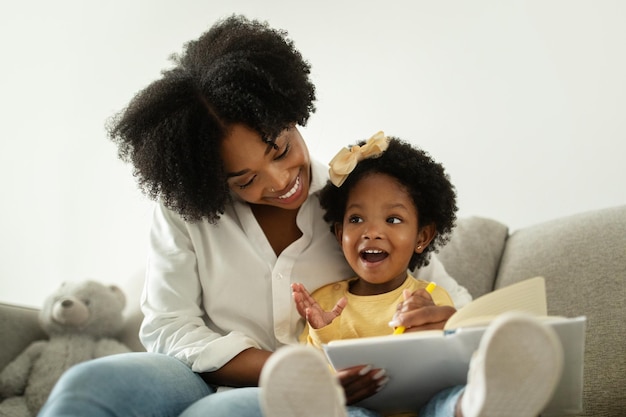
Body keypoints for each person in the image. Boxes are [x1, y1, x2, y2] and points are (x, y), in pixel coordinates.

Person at [38, 15, 472, 417]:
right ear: (210, 179)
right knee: (86, 386)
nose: (280, 181)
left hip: (324, 398)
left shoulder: (357, 206)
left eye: (281, 150)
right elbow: (169, 326)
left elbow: (456, 304)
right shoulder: (186, 212)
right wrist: (291, 367)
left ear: (291, 113)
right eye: (244, 179)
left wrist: (446, 321)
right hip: (198, 378)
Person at [258, 135, 564, 417]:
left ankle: (480, 401)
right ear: (340, 234)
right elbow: (315, 374)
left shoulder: (429, 298)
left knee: (448, 399)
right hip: (356, 409)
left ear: (422, 236)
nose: (372, 232)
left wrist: (436, 333)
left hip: (424, 409)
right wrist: (322, 334)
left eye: (393, 219)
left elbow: (444, 365)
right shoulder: (323, 303)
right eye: (356, 218)